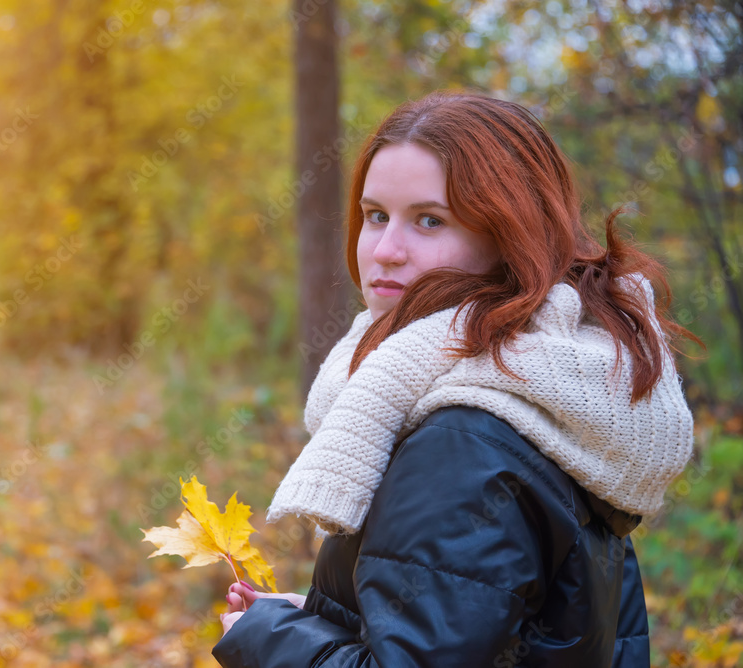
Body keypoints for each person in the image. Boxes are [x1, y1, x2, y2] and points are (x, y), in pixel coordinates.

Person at [212, 90, 699, 667]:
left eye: (429, 220)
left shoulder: (463, 441)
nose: (386, 250)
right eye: (375, 216)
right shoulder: (545, 407)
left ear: (509, 237)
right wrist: (322, 619)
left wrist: (267, 638)